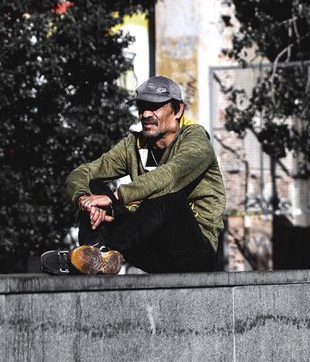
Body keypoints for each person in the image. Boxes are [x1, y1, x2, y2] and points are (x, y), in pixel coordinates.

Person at [41, 76, 226, 276]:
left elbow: (169, 176)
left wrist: (114, 198)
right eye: (141, 107)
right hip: (150, 248)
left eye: (155, 107)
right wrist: (84, 199)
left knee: (169, 195)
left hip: (193, 252)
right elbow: (82, 173)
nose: (145, 114)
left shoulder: (196, 140)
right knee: (94, 186)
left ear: (178, 110)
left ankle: (103, 253)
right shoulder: (134, 145)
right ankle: (93, 256)